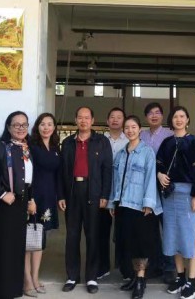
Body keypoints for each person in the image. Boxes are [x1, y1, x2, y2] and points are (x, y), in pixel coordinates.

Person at [57, 106, 113, 294]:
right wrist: (61, 195)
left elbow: (107, 170)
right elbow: (61, 171)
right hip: (72, 192)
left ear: (92, 120)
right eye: (80, 117)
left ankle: (91, 277)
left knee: (93, 236)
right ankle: (72, 276)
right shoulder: (68, 143)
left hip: (94, 193)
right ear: (75, 120)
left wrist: (105, 195)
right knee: (72, 236)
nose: (83, 121)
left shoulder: (102, 142)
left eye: (87, 117)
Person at [0, 111, 35, 299]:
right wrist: (2, 194)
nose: (21, 128)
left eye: (24, 124)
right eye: (16, 124)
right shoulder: (2, 147)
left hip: (21, 203)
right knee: (4, 248)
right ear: (9, 127)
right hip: (6, 204)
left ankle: (13, 290)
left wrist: (31, 199)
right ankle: (0, 292)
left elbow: (28, 178)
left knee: (16, 248)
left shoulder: (26, 147)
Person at [108, 115, 162, 299]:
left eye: (133, 127)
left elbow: (150, 178)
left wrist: (148, 203)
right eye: (127, 128)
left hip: (140, 206)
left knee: (141, 244)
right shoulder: (121, 153)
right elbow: (115, 180)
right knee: (129, 243)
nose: (130, 130)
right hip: (123, 204)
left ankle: (140, 279)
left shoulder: (147, 152)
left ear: (140, 129)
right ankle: (133, 276)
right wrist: (112, 202)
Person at [156, 106, 195, 299]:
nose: (178, 119)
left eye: (182, 116)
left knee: (189, 236)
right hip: (169, 194)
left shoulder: (194, 142)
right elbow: (159, 164)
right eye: (175, 116)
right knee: (172, 235)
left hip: (188, 193)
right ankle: (180, 276)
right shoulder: (167, 142)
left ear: (187, 120)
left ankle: (192, 282)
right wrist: (160, 175)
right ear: (171, 120)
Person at [23, 112, 62, 297]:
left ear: (54, 127)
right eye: (42, 124)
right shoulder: (30, 146)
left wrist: (59, 197)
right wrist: (29, 199)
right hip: (33, 198)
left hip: (48, 198)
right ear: (37, 126)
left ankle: (35, 278)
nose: (46, 127)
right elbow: (25, 174)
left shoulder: (55, 147)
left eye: (49, 124)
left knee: (39, 240)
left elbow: (58, 175)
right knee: (27, 240)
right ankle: (27, 281)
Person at [139, 102, 175, 284]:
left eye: (157, 113)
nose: (154, 116)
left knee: (167, 227)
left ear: (162, 116)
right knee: (150, 230)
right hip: (146, 188)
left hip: (164, 187)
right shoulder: (141, 135)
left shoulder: (170, 135)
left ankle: (169, 267)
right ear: (146, 117)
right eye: (150, 113)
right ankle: (155, 265)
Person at [100, 107, 129, 280]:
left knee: (123, 232)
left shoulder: (129, 140)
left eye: (119, 117)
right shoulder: (100, 140)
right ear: (107, 121)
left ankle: (124, 268)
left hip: (122, 193)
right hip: (103, 192)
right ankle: (102, 266)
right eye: (112, 117)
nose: (115, 120)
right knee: (101, 231)